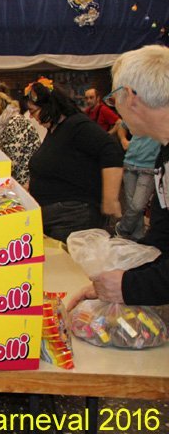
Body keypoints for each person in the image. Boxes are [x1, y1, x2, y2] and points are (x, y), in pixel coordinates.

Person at [70, 45, 169, 307]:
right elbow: (162, 239)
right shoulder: (164, 152)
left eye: (114, 100)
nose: (116, 110)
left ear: (130, 97)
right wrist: (121, 278)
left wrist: (128, 286)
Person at [25, 77, 123, 243]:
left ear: (48, 106)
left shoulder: (77, 125)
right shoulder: (55, 129)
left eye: (34, 111)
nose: (32, 117)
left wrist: (110, 199)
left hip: (74, 216)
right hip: (58, 214)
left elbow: (110, 150)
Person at [0, 91, 40, 186]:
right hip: (22, 182)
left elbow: (12, 163)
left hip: (25, 185)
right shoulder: (7, 124)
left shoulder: (15, 124)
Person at [114, 129, 160, 241]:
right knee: (132, 205)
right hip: (129, 162)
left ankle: (122, 228)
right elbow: (121, 125)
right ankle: (137, 237)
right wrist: (123, 140)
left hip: (149, 167)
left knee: (137, 206)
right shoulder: (139, 116)